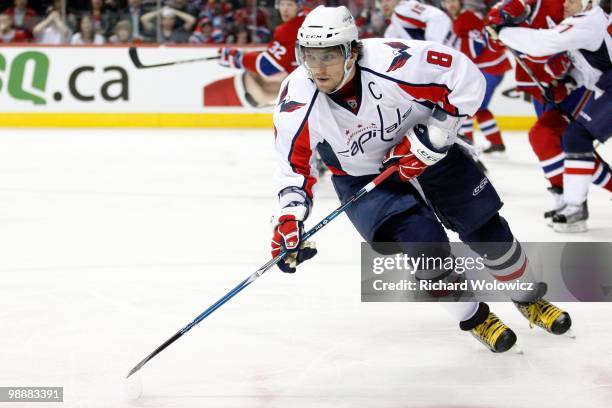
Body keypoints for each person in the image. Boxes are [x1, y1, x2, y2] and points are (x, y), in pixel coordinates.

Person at [270, 5, 572, 353]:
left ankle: (528, 298)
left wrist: (433, 140)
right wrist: (289, 216)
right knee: (424, 249)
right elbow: (292, 166)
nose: (317, 67)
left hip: (425, 147)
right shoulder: (296, 98)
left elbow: (465, 77)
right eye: (309, 56)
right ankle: (475, 318)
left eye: (328, 56)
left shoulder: (396, 61)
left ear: (351, 51)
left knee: (488, 230)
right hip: (363, 178)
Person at [485, 0, 612, 224]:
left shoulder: (587, 22)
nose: (566, 5)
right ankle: (572, 204)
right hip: (602, 84)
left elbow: (543, 43)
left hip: (606, 87)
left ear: (589, 3)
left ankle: (574, 206)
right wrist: (569, 82)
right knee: (565, 138)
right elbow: (588, 66)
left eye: (572, 1)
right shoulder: (588, 20)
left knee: (574, 138)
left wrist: (504, 31)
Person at [205, 0, 307, 107]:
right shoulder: (302, 22)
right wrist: (243, 56)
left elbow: (268, 66)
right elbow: (275, 58)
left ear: (299, 6)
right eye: (282, 4)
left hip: (304, 90)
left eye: (290, 4)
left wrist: (238, 58)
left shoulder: (291, 28)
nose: (285, 9)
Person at [442, 0, 511, 153]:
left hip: (490, 69)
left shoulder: (467, 18)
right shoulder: (459, 19)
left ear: (460, 3)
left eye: (453, 1)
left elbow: (476, 48)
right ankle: (496, 143)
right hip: (490, 69)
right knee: (480, 108)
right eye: (447, 2)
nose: (450, 5)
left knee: (468, 106)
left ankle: (466, 141)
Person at [383, 0, 453, 44]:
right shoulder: (391, 29)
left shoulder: (403, 8)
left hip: (446, 55)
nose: (384, 4)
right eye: (381, 1)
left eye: (387, 0)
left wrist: (433, 47)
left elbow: (438, 17)